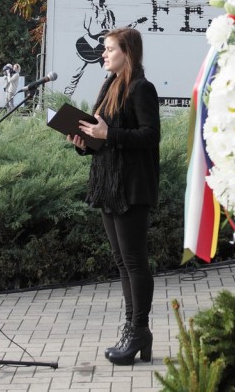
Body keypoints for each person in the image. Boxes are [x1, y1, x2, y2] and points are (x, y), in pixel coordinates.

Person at [68, 27, 160, 365]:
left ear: (127, 52)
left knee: (134, 261)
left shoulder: (141, 88)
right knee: (122, 262)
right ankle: (133, 330)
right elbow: (102, 137)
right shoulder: (109, 86)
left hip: (132, 187)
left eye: (109, 49)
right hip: (108, 184)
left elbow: (150, 136)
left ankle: (139, 330)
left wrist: (110, 134)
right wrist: (84, 142)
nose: (103, 54)